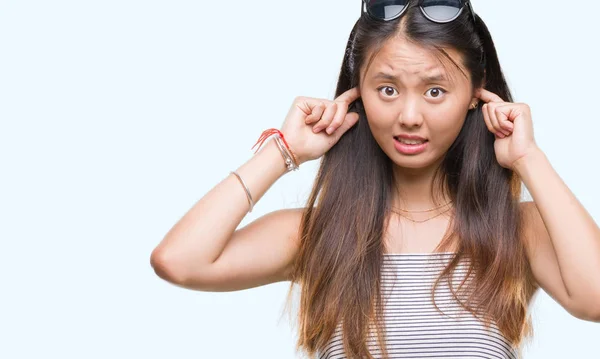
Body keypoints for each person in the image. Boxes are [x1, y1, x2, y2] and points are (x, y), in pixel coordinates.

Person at [150, 1, 600, 358]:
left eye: (435, 91)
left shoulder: (516, 229)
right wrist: (283, 150)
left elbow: (594, 298)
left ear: (475, 93)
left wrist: (527, 158)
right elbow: (180, 261)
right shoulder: (320, 232)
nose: (408, 116)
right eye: (386, 89)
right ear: (358, 91)